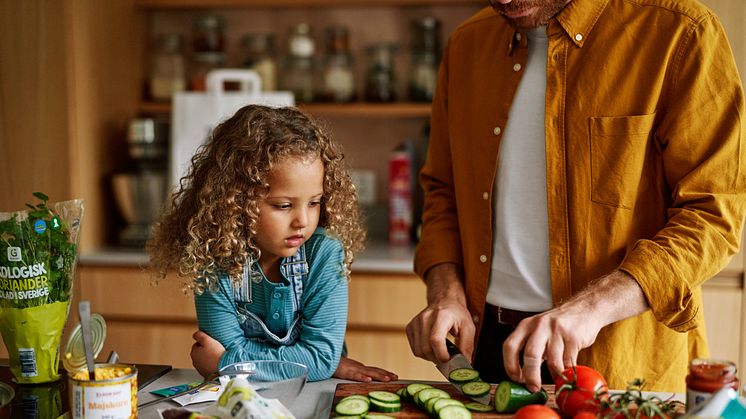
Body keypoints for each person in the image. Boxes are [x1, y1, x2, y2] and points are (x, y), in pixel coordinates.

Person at [406, 0, 745, 393]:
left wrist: (590, 308)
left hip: (615, 354)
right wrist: (445, 291)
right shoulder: (466, 44)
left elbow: (712, 214)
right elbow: (442, 193)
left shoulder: (680, 33)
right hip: (485, 348)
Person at [148, 104, 398, 383]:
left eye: (314, 202)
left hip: (313, 392)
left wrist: (227, 363)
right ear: (235, 200)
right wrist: (308, 361)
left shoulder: (324, 254)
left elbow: (319, 359)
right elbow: (314, 361)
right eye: (283, 205)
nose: (302, 220)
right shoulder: (214, 256)